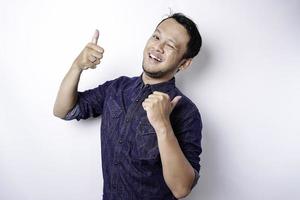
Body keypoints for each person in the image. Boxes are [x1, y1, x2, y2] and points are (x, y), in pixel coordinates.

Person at [53, 12, 203, 200]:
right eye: (156, 36)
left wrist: (163, 125)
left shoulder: (186, 111)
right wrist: (77, 66)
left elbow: (182, 189)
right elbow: (63, 110)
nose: (158, 47)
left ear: (184, 63)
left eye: (170, 45)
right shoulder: (116, 88)